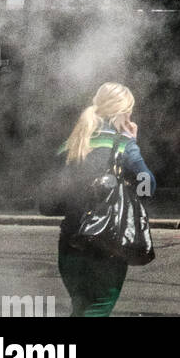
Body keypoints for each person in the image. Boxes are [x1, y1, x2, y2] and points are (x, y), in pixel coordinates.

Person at [55, 82, 156, 318]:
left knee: (81, 308)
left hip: (70, 243)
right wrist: (132, 143)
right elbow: (147, 186)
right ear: (123, 113)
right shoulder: (123, 146)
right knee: (97, 308)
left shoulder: (71, 145)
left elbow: (51, 199)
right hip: (106, 245)